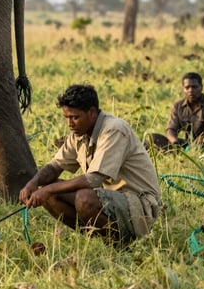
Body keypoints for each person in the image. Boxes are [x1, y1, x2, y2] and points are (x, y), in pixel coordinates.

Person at [19, 83, 160, 245]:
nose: (70, 123)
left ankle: (123, 243)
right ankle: (101, 240)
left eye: (75, 117)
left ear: (92, 113)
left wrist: (48, 190)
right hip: (111, 200)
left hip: (139, 206)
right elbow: (55, 166)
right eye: (67, 118)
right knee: (50, 193)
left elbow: (92, 180)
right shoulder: (79, 134)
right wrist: (33, 183)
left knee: (84, 198)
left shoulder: (113, 129)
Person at [149, 72, 204, 151]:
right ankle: (178, 152)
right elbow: (171, 130)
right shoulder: (178, 106)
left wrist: (195, 145)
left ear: (201, 87)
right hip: (187, 144)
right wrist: (175, 143)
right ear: (183, 89)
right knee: (153, 138)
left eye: (194, 87)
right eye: (187, 87)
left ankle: (189, 152)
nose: (191, 90)